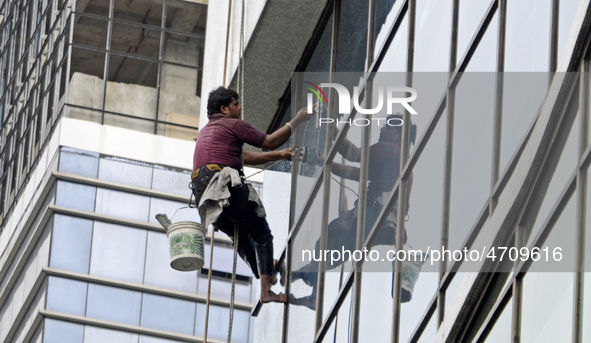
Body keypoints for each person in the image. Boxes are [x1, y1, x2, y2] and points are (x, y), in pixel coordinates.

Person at [192, 86, 312, 303]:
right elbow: (270, 141)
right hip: (223, 187)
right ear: (224, 108)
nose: (240, 108)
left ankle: (268, 271)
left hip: (208, 201)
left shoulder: (208, 132)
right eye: (236, 104)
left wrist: (282, 155)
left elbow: (243, 156)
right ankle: (266, 289)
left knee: (241, 235)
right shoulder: (232, 124)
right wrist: (297, 120)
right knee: (262, 233)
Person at [287, 113, 417, 307]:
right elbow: (355, 173)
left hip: (376, 216)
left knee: (332, 236)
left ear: (399, 136)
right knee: (338, 246)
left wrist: (331, 129)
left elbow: (354, 154)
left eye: (388, 127)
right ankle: (310, 285)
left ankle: (306, 280)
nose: (382, 130)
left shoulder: (392, 149)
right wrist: (323, 162)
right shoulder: (398, 162)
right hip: (386, 225)